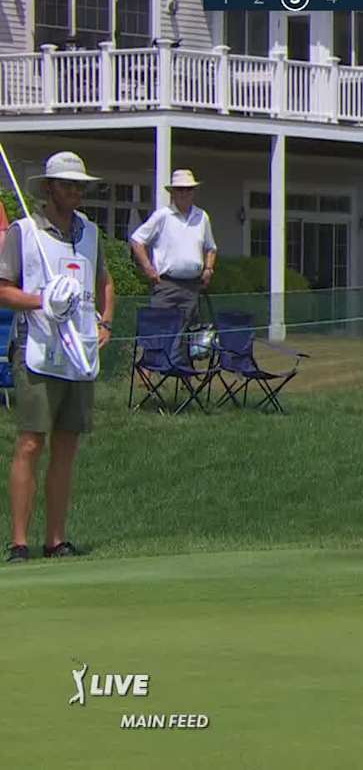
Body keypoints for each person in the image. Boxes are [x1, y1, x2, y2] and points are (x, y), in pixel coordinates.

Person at [0, 152, 116, 563]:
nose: (76, 191)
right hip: (37, 348)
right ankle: (17, 542)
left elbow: (105, 282)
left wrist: (105, 323)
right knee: (31, 442)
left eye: (80, 185)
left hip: (78, 352)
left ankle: (56, 539)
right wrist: (41, 300)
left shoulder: (90, 233)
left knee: (67, 444)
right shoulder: (23, 232)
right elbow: (3, 289)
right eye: (68, 184)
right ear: (49, 187)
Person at [128, 169, 216, 328]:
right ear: (173, 193)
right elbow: (137, 240)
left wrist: (209, 269)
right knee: (161, 333)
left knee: (188, 337)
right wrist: (148, 268)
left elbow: (211, 247)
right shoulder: (163, 215)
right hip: (166, 285)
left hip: (192, 286)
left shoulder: (202, 216)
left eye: (188, 189)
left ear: (193, 192)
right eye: (180, 189)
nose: (184, 193)